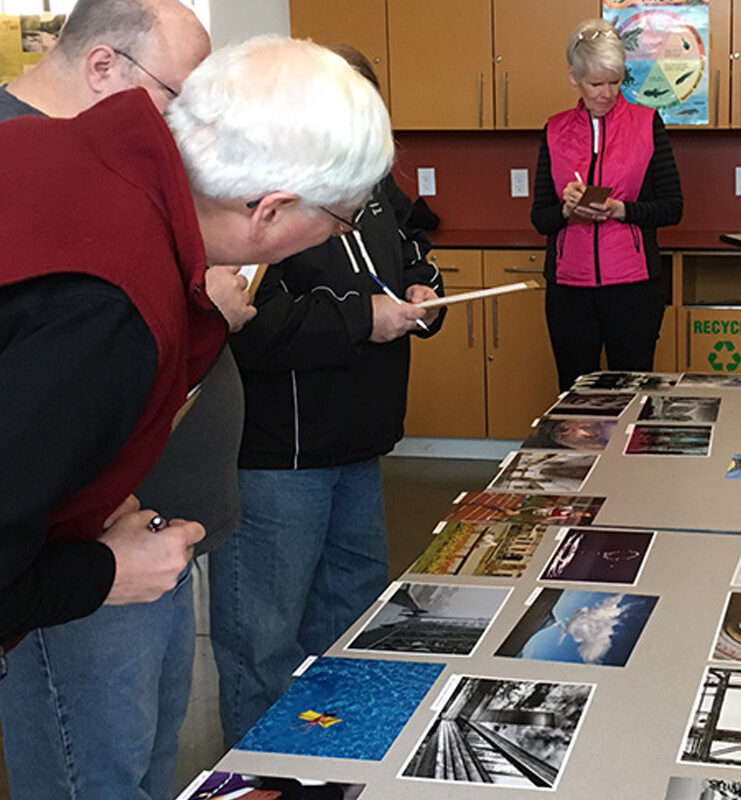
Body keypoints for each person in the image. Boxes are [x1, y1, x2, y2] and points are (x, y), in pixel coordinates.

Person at [0, 33, 394, 800]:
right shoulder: (111, 306)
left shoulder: (70, 149)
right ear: (273, 210)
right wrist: (103, 570)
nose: (342, 234)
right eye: (344, 222)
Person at [0, 3, 252, 797]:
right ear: (106, 68)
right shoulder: (32, 167)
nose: (191, 136)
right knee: (92, 771)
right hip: (76, 561)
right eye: (183, 99)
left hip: (139, 530)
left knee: (142, 760)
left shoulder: (116, 173)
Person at [208, 43, 444, 746]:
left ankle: (336, 760)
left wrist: (422, 292)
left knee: (352, 617)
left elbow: (411, 251)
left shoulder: (370, 187)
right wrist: (361, 319)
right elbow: (249, 327)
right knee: (264, 638)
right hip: (280, 456)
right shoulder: (250, 193)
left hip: (359, 443)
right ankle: (262, 774)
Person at [530, 17, 682, 391]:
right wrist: (566, 211)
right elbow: (540, 218)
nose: (605, 93)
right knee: (574, 395)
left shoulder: (647, 124)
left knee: (632, 393)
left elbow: (672, 207)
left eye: (614, 81)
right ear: (574, 78)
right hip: (569, 291)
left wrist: (621, 210)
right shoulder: (554, 130)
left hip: (632, 288)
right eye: (595, 83)